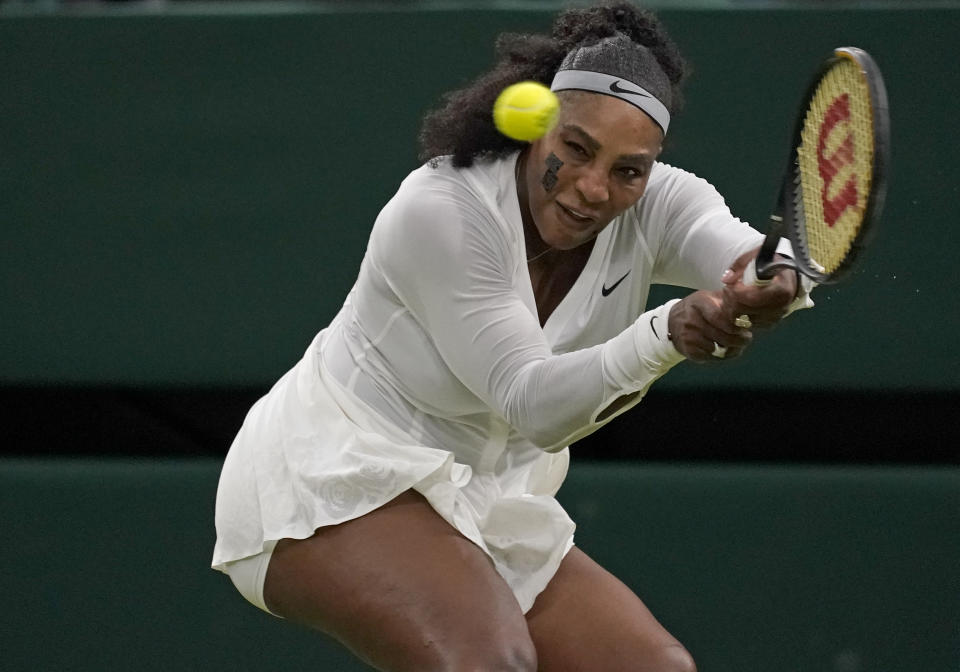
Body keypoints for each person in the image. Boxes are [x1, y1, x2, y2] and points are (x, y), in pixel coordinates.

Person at [212, 3, 813, 670]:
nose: (591, 188)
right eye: (576, 149)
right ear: (537, 129)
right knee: (488, 662)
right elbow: (530, 402)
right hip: (333, 473)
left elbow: (746, 258)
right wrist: (668, 331)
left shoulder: (661, 203)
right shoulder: (442, 212)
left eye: (627, 169)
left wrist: (777, 277)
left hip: (489, 497)